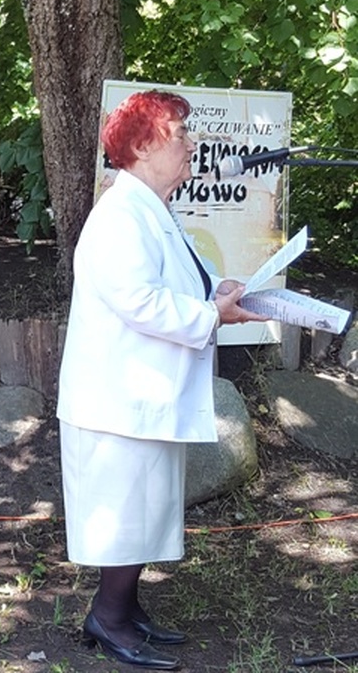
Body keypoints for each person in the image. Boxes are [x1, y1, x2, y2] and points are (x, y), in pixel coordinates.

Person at [57, 90, 268, 670]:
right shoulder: (119, 215)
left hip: (142, 391)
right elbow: (139, 301)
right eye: (180, 135)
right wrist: (212, 315)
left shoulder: (153, 209)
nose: (192, 145)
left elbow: (174, 284)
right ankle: (108, 618)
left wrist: (219, 292)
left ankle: (126, 609)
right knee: (126, 511)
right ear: (143, 146)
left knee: (147, 507)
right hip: (117, 396)